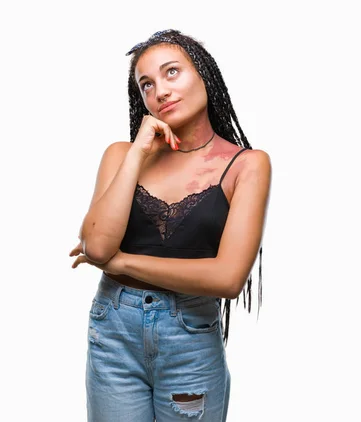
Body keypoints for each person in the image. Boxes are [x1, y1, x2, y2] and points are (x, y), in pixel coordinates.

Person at [68, 29, 271, 421]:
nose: (160, 90)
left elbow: (228, 278)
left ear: (204, 75)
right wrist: (138, 153)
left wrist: (122, 264)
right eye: (147, 85)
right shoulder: (121, 155)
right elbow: (96, 246)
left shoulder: (247, 165)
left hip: (190, 337)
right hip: (113, 333)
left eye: (172, 73)